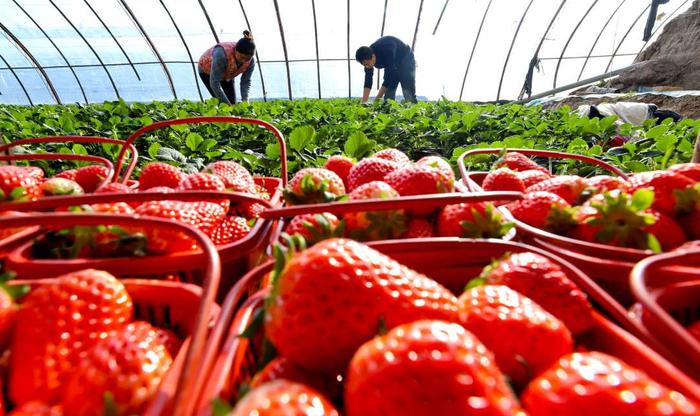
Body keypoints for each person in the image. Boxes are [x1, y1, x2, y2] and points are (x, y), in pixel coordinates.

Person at [198, 31, 256, 104]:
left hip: (228, 75)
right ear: (235, 51)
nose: (244, 61)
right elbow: (214, 83)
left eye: (247, 58)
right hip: (206, 71)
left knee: (232, 102)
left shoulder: (251, 62)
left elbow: (246, 81)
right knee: (222, 103)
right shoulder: (222, 54)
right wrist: (227, 105)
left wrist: (245, 101)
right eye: (241, 57)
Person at [355, 36, 417, 104]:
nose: (367, 66)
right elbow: (368, 81)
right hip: (393, 65)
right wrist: (364, 102)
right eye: (364, 65)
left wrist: (376, 101)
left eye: (367, 64)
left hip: (406, 59)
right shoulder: (367, 56)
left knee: (407, 90)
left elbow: (388, 77)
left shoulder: (387, 50)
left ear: (373, 56)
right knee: (388, 97)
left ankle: (413, 108)